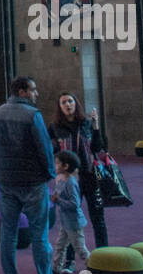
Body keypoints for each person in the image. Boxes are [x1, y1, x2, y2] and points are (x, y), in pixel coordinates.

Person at [0, 76, 60, 274]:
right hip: (32, 183)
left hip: (6, 182)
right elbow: (44, 148)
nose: (36, 94)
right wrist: (49, 174)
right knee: (39, 235)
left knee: (7, 234)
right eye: (33, 90)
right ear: (22, 92)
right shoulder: (32, 115)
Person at [46, 92, 108, 261]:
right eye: (63, 102)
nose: (68, 105)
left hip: (89, 176)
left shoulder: (86, 123)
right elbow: (48, 149)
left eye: (70, 101)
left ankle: (104, 256)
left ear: (76, 103)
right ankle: (69, 260)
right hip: (68, 180)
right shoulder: (54, 127)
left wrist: (96, 126)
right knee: (70, 220)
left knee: (98, 216)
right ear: (60, 107)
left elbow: (98, 147)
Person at [50, 151, 90, 274]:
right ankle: (56, 270)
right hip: (65, 221)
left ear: (65, 166)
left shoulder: (71, 182)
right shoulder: (60, 179)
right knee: (60, 245)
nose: (54, 166)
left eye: (57, 163)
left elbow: (75, 203)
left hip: (73, 222)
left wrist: (58, 201)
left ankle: (96, 267)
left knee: (80, 249)